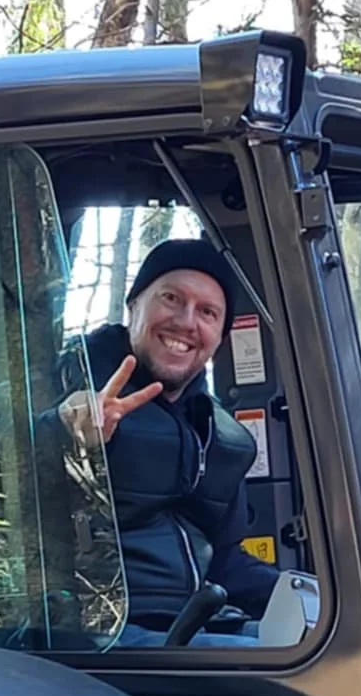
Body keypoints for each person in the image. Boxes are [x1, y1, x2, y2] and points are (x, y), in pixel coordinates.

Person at [60, 238, 279, 645]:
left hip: (198, 621)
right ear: (133, 306)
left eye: (208, 312)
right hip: (98, 632)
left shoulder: (221, 437)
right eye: (171, 298)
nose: (186, 321)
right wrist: (61, 435)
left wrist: (308, 595)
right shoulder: (64, 379)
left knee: (335, 649)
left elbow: (225, 563)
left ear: (220, 337)